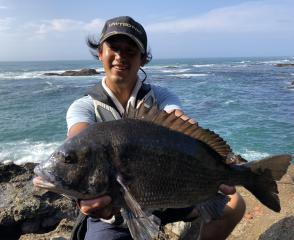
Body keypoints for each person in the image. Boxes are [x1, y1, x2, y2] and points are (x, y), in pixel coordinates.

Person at [67, 16, 246, 240]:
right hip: (115, 211)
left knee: (234, 204)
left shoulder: (160, 97)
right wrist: (81, 195)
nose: (121, 56)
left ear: (142, 59)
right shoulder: (84, 107)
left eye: (131, 50)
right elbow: (77, 143)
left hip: (168, 195)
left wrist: (216, 161)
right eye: (114, 48)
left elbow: (177, 118)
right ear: (101, 53)